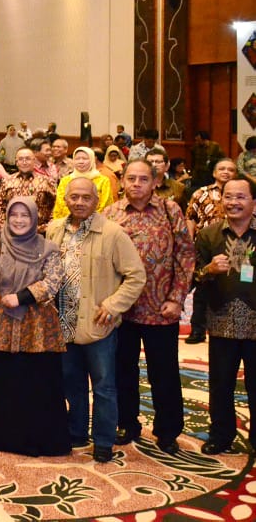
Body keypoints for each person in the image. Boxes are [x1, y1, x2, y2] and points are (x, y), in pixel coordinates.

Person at [48, 176, 145, 463]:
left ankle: (103, 440)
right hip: (63, 324)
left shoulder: (113, 233)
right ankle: (76, 432)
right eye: (74, 196)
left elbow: (136, 276)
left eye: (86, 197)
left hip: (98, 324)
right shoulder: (54, 230)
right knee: (71, 383)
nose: (79, 202)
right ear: (65, 198)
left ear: (97, 200)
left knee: (104, 386)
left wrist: (114, 305)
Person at [104, 159, 195, 454]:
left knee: (164, 372)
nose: (136, 184)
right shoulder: (111, 213)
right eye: (131, 178)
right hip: (122, 311)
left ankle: (168, 430)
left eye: (143, 179)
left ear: (155, 181)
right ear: (123, 181)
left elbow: (185, 256)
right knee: (122, 370)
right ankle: (126, 423)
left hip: (161, 309)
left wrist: (176, 298)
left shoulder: (170, 211)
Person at [0, 197, 68, 456]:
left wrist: (22, 297)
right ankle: (2, 439)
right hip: (2, 323)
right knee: (4, 381)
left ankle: (37, 441)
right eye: (13, 214)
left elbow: (53, 282)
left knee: (35, 381)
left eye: (24, 215)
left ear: (35, 218)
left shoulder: (48, 247)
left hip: (37, 326)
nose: (18, 219)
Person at [194, 176, 256, 455]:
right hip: (221, 321)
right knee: (221, 384)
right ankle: (221, 435)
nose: (233, 202)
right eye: (228, 197)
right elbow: (193, 276)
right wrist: (208, 269)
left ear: (254, 201)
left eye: (240, 197)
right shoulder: (210, 235)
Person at [186, 158, 239, 344]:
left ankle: (230, 327)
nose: (226, 172)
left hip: (235, 244)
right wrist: (189, 243)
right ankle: (197, 330)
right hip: (205, 244)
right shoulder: (201, 193)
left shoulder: (241, 193)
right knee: (202, 286)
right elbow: (190, 217)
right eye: (222, 169)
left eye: (230, 169)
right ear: (214, 173)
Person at [0, 147, 57, 231]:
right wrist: (4, 228)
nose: (24, 162)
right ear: (16, 162)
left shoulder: (47, 182)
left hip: (39, 233)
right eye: (20, 159)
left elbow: (55, 207)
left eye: (28, 159)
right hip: (11, 233)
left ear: (34, 161)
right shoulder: (7, 181)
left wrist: (47, 228)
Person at [53, 147, 115, 220]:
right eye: (77, 159)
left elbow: (105, 206)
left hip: (96, 223)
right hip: (68, 222)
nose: (81, 161)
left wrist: (87, 220)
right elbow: (60, 205)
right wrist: (75, 218)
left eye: (85, 159)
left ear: (92, 160)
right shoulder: (65, 181)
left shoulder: (103, 181)